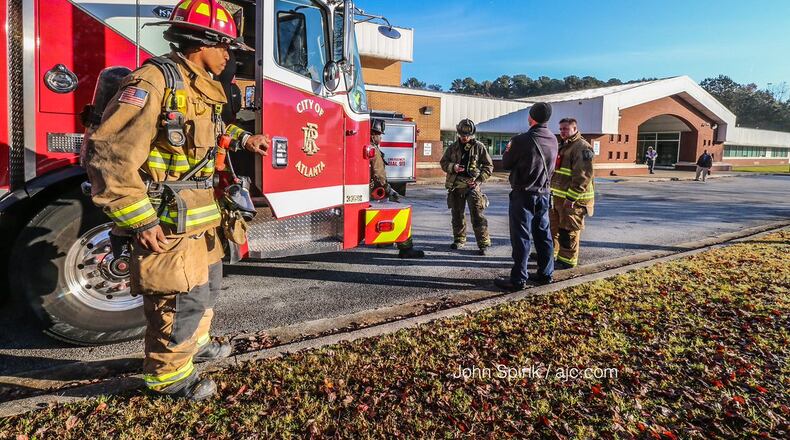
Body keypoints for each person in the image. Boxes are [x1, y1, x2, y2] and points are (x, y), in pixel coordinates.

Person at [83, 0, 270, 401]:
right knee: (176, 298)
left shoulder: (199, 86)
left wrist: (245, 139)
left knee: (205, 288)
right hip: (167, 220)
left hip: (202, 215)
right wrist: (141, 221)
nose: (230, 56)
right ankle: (168, 377)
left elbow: (213, 131)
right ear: (203, 43)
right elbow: (109, 155)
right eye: (226, 47)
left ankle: (195, 346)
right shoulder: (154, 82)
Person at [494, 103, 558, 291]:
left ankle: (518, 279)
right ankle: (546, 274)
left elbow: (506, 163)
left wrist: (509, 149)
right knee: (543, 235)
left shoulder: (521, 140)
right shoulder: (553, 139)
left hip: (523, 194)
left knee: (521, 237)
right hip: (544, 193)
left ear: (531, 117)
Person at [369, 118, 425, 259]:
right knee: (400, 215)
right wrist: (388, 189)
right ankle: (406, 248)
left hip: (367, 192)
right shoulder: (373, 149)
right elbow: (378, 174)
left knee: (382, 217)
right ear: (373, 134)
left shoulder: (366, 146)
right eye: (379, 135)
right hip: (375, 192)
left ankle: (384, 241)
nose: (381, 138)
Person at [439, 119, 494, 255]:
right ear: (458, 133)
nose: (465, 138)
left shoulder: (479, 147)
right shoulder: (452, 148)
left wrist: (479, 180)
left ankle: (483, 243)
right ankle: (459, 239)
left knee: (477, 215)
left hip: (472, 187)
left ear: (472, 134)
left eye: (468, 135)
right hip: (455, 186)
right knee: (457, 215)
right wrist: (453, 167)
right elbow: (443, 162)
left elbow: (488, 166)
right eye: (463, 135)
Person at [549, 118, 595, 270]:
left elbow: (583, 176)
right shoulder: (564, 145)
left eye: (566, 129)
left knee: (569, 231)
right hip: (558, 198)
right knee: (555, 228)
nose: (562, 132)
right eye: (561, 129)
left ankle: (568, 261)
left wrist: (571, 197)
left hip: (573, 200)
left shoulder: (582, 147)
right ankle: (552, 254)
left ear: (575, 129)